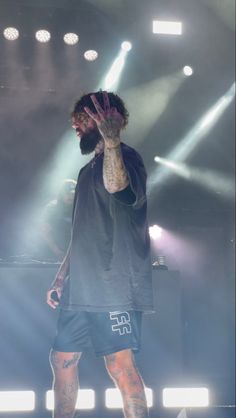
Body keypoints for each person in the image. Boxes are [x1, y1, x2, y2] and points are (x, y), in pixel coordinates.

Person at [47, 91, 153, 418]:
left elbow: (119, 188)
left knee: (120, 366)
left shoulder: (126, 158)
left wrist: (112, 141)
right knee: (62, 359)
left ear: (104, 120)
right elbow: (80, 232)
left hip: (114, 284)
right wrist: (62, 276)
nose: (75, 125)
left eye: (81, 117)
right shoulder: (84, 171)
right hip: (82, 284)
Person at [39, 179, 76, 261]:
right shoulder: (51, 208)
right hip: (52, 255)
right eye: (67, 193)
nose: (70, 196)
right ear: (62, 193)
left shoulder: (78, 209)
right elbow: (45, 232)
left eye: (73, 193)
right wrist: (57, 251)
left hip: (74, 255)